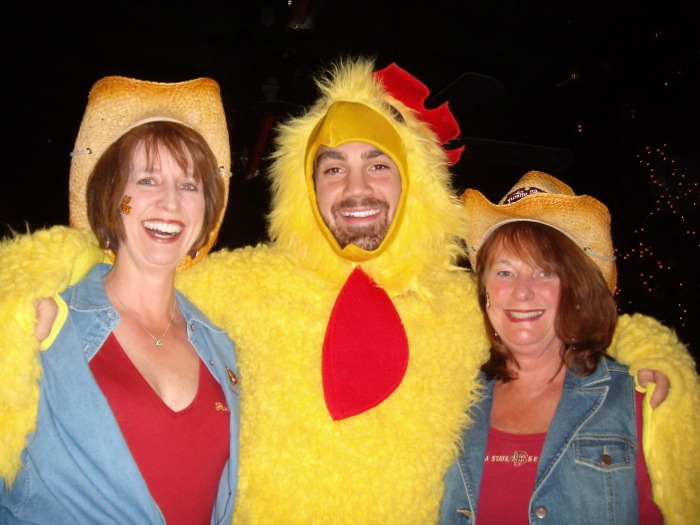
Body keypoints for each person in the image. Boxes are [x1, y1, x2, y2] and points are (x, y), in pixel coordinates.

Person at [0, 59, 693, 524]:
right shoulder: (244, 283)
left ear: (414, 183)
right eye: (331, 169)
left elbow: (550, 313)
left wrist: (649, 354)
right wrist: (30, 280)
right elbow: (119, 268)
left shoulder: (460, 302)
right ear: (306, 190)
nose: (355, 188)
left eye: (377, 166)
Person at [0, 77, 240, 524]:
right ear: (115, 200)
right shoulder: (37, 322)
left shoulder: (225, 347)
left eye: (189, 186)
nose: (170, 202)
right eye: (147, 179)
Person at [439, 171, 700, 524]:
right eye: (504, 272)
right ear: (484, 290)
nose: (522, 291)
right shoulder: (447, 402)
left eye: (545, 272)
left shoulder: (639, 399)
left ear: (576, 290)